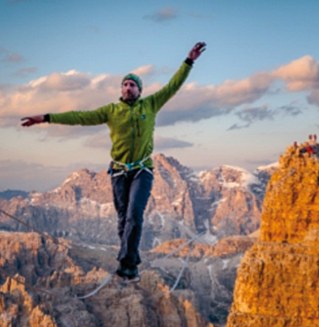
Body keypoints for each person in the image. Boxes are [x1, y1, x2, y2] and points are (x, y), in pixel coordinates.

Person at [22, 42, 207, 281]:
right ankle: (130, 261)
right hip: (119, 171)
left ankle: (127, 265)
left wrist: (188, 61)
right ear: (121, 90)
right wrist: (45, 118)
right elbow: (80, 117)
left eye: (133, 85)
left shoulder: (150, 105)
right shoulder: (111, 111)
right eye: (125, 85)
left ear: (139, 90)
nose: (129, 87)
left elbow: (173, 86)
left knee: (134, 214)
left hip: (142, 170)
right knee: (122, 220)